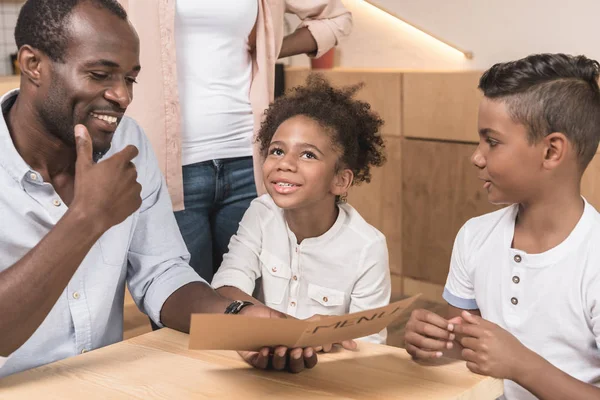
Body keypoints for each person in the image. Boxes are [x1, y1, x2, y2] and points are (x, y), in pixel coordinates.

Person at [0, 0, 317, 378]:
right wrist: (85, 219)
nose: (123, 96)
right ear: (33, 65)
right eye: (101, 74)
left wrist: (239, 318)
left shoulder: (127, 141)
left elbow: (161, 272)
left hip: (101, 383)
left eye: (130, 79)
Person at [403, 53, 600, 399]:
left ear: (552, 152)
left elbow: (511, 362)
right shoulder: (474, 237)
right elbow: (465, 352)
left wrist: (523, 365)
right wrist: (432, 344)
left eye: (491, 142)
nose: (476, 156)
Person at [120, 0, 353, 282]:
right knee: (181, 303)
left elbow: (336, 18)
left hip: (248, 164)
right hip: (169, 172)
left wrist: (269, 46)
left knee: (250, 301)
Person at [212, 75, 391, 348]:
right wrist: (291, 330)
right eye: (276, 151)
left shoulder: (368, 247)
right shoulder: (261, 213)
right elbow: (225, 288)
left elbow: (370, 344)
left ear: (340, 180)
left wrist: (335, 335)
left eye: (308, 155)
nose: (285, 164)